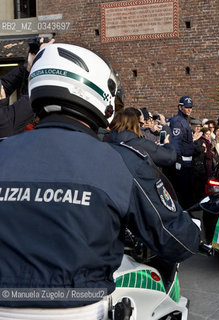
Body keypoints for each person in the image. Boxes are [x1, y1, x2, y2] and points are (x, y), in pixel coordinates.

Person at [0, 44, 199, 316]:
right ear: (98, 94)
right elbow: (177, 241)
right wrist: (194, 229)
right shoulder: (121, 161)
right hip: (80, 308)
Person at [0, 38, 55, 138]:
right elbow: (32, 95)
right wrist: (41, 60)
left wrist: (28, 67)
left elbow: (5, 84)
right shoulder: (5, 121)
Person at [105, 108, 177, 168]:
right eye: (142, 123)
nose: (142, 126)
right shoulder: (139, 143)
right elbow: (169, 157)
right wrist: (167, 144)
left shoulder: (108, 138)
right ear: (136, 123)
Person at [166, 96, 196, 208]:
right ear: (180, 107)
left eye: (190, 107)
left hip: (187, 162)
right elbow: (176, 142)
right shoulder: (178, 121)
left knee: (186, 193)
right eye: (186, 107)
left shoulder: (184, 120)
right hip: (182, 163)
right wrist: (178, 160)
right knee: (182, 193)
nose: (189, 109)